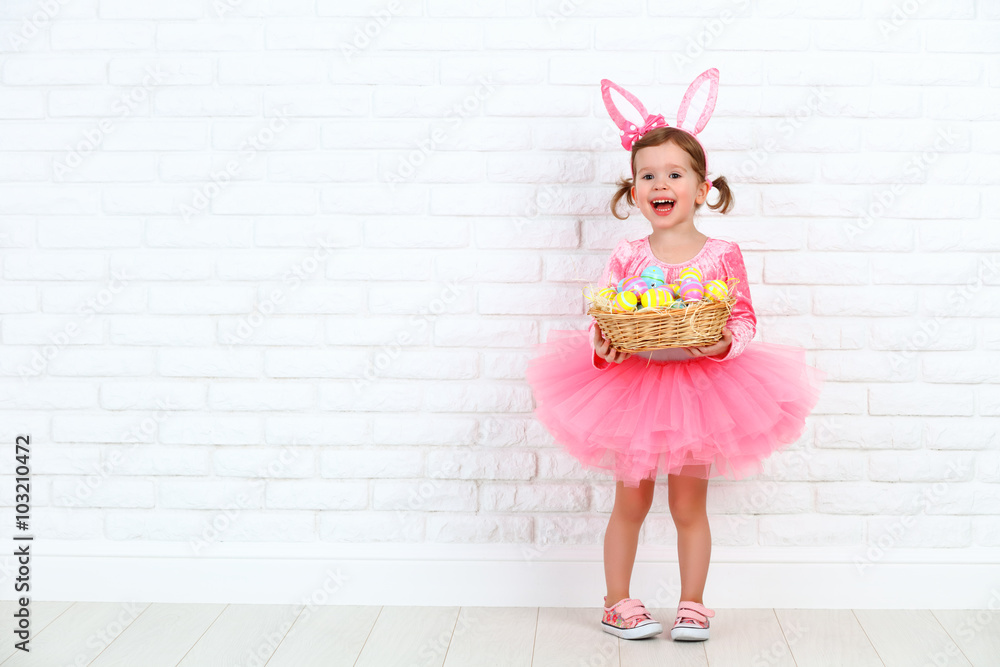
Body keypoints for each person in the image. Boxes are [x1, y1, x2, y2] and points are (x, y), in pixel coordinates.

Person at [525, 70, 827, 642]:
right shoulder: (628, 253)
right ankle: (617, 601)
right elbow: (607, 319)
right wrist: (605, 351)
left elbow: (742, 318)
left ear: (701, 184)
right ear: (632, 190)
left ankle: (693, 603)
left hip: (701, 392)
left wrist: (718, 344)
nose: (660, 183)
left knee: (690, 505)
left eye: (674, 173)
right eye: (647, 175)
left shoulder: (721, 253)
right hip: (633, 390)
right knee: (630, 503)